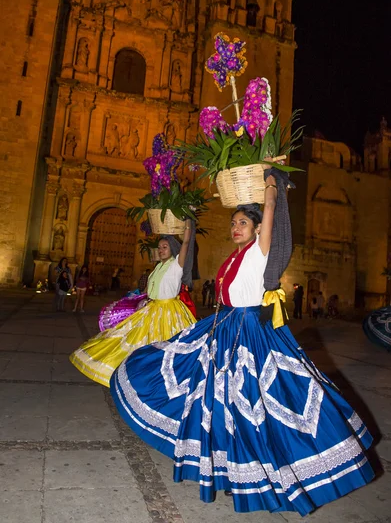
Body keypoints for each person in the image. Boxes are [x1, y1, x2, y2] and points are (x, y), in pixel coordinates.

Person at [110, 166, 374, 516]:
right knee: (215, 399)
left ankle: (272, 471)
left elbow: (269, 215)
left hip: (251, 334)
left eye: (243, 224)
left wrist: (270, 186)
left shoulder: (260, 252)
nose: (236, 228)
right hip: (226, 328)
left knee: (257, 405)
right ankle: (234, 469)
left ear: (259, 229)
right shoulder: (235, 255)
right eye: (234, 223)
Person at [70, 220, 197, 387]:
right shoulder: (158, 266)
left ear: (172, 249)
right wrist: (144, 299)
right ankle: (136, 376)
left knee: (163, 346)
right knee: (133, 340)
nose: (161, 250)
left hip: (168, 312)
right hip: (152, 309)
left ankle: (158, 381)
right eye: (159, 247)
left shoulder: (176, 265)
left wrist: (188, 223)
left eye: (164, 247)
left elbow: (186, 242)